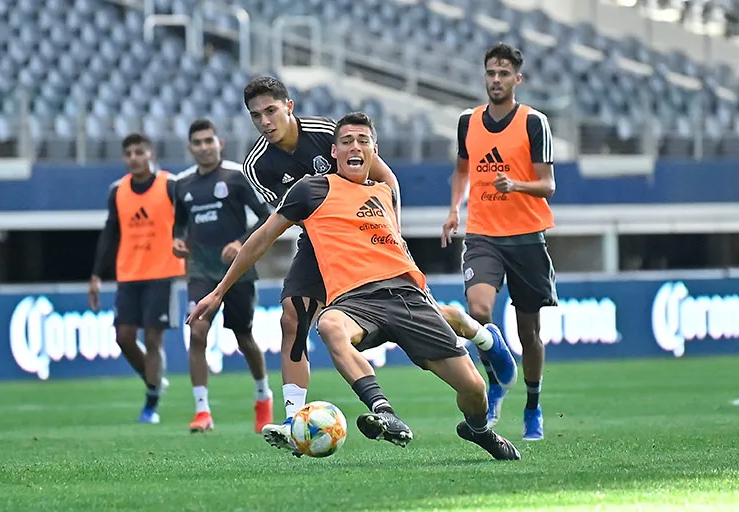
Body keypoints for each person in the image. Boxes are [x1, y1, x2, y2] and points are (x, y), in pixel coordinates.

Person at [189, 112, 520, 461]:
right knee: (328, 324)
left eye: (362, 141)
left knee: (474, 388)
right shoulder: (310, 190)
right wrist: (219, 291)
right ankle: (384, 410)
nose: (354, 147)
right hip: (355, 301)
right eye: (346, 141)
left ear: (374, 152)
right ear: (333, 152)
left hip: (408, 296)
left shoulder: (385, 192)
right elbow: (262, 238)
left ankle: (479, 429)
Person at [441, 43, 558, 441]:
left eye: (504, 73)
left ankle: (533, 406)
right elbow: (462, 170)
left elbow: (548, 184)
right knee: (478, 309)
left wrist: (518, 185)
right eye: (491, 72)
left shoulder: (533, 123)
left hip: (526, 237)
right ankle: (496, 379)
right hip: (483, 234)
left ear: (517, 79)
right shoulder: (467, 121)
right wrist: (455, 208)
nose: (496, 79)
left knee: (529, 333)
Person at [173, 119, 273, 434]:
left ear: (220, 143)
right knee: (198, 331)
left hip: (237, 271)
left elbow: (266, 218)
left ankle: (263, 397)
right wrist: (177, 240)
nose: (204, 147)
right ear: (190, 148)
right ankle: (202, 411)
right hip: (201, 270)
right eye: (198, 143)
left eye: (208, 141)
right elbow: (180, 224)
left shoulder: (236, 177)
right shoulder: (182, 184)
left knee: (244, 337)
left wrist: (241, 243)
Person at [89, 133, 185, 424]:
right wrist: (95, 275)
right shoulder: (117, 191)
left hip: (162, 272)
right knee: (123, 337)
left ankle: (151, 405)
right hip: (129, 274)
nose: (134, 157)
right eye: (128, 153)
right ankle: (154, 380)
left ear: (151, 154)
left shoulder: (169, 185)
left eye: (139, 152)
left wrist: (183, 241)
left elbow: (186, 220)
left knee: (153, 339)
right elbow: (109, 234)